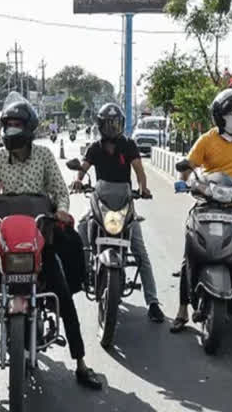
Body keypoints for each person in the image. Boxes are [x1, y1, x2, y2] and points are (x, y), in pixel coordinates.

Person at [0, 100, 103, 391]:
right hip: (6, 240)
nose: (11, 130)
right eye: (7, 125)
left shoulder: (45, 156)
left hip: (40, 236)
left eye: (16, 125)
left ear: (29, 128)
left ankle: (81, 363)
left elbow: (59, 191)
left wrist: (60, 210)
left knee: (64, 298)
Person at [169, 89, 232, 337]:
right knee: (190, 252)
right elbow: (188, 166)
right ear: (219, 116)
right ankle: (182, 310)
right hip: (208, 200)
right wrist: (182, 181)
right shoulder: (206, 140)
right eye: (230, 113)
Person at [72, 103, 165, 323]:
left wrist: (143, 188)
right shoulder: (94, 148)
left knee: (140, 252)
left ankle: (153, 302)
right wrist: (77, 181)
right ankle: (84, 270)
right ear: (101, 124)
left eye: (115, 123)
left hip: (124, 202)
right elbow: (83, 169)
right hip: (100, 200)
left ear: (121, 124)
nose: (112, 127)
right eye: (108, 123)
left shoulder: (129, 145)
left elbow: (139, 171)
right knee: (82, 226)